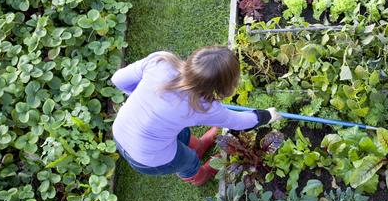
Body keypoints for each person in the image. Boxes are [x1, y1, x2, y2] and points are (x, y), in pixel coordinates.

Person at [111, 46, 281, 186]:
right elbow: (240, 122)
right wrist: (267, 115)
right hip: (147, 157)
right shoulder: (203, 107)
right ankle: (199, 176)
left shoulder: (160, 62)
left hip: (120, 130)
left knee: (180, 132)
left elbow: (118, 79)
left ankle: (199, 146)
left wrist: (145, 100)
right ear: (223, 87)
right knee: (187, 160)